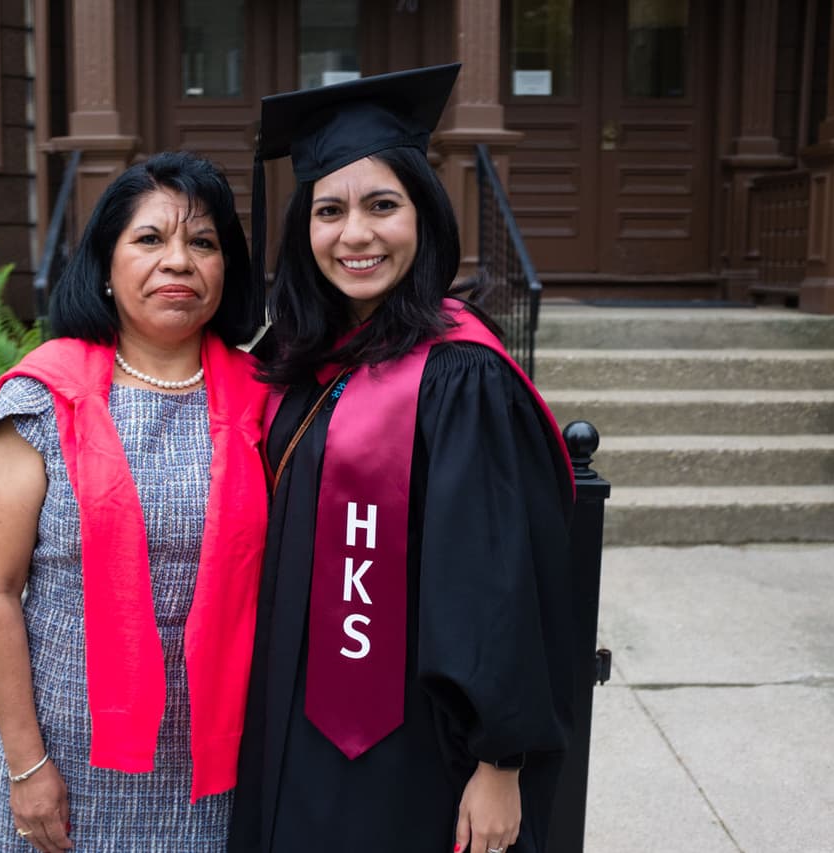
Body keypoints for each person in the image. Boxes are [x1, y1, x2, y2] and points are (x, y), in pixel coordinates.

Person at [228, 65, 577, 853]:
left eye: (382, 205)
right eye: (329, 210)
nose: (355, 235)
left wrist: (499, 759)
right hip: (295, 707)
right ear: (301, 229)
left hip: (410, 735)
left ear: (423, 215)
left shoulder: (462, 374)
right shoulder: (302, 358)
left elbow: (496, 581)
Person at [0, 150, 269, 853]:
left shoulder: (270, 402)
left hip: (221, 768)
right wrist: (26, 763)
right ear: (106, 264)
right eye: (149, 238)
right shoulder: (39, 400)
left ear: (227, 270)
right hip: (67, 767)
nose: (179, 261)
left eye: (203, 242)